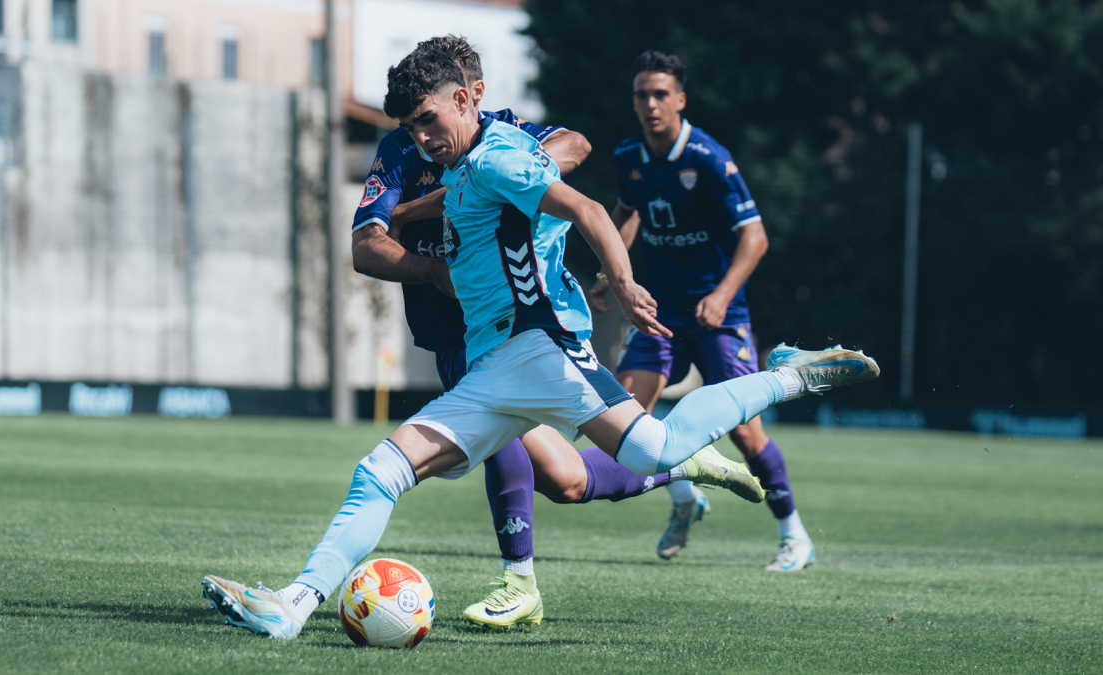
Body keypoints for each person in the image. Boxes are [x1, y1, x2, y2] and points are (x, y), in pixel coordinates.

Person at [200, 48, 879, 641]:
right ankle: (292, 607)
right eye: (410, 127)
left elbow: (585, 208)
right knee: (380, 472)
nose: (422, 138)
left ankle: (792, 374)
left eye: (429, 119)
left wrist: (624, 282)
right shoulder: (469, 160)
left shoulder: (497, 155)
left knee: (656, 448)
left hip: (543, 349)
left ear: (467, 98)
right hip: (491, 366)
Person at [351, 36, 736, 629]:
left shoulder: (504, 138)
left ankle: (518, 581)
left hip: (518, 329)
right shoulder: (403, 145)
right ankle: (678, 462)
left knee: (496, 444)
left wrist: (467, 192)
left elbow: (575, 146)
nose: (428, 129)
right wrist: (431, 268)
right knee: (567, 480)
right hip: (450, 328)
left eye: (461, 95)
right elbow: (366, 246)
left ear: (472, 94)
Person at [590, 51, 813, 571]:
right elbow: (626, 212)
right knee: (625, 416)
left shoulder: (709, 158)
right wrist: (609, 277)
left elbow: (755, 237)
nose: (651, 104)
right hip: (661, 309)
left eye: (660, 94)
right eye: (642, 95)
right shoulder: (629, 156)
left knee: (745, 433)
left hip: (720, 314)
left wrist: (722, 294)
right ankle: (685, 497)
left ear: (680, 100)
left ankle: (794, 535)